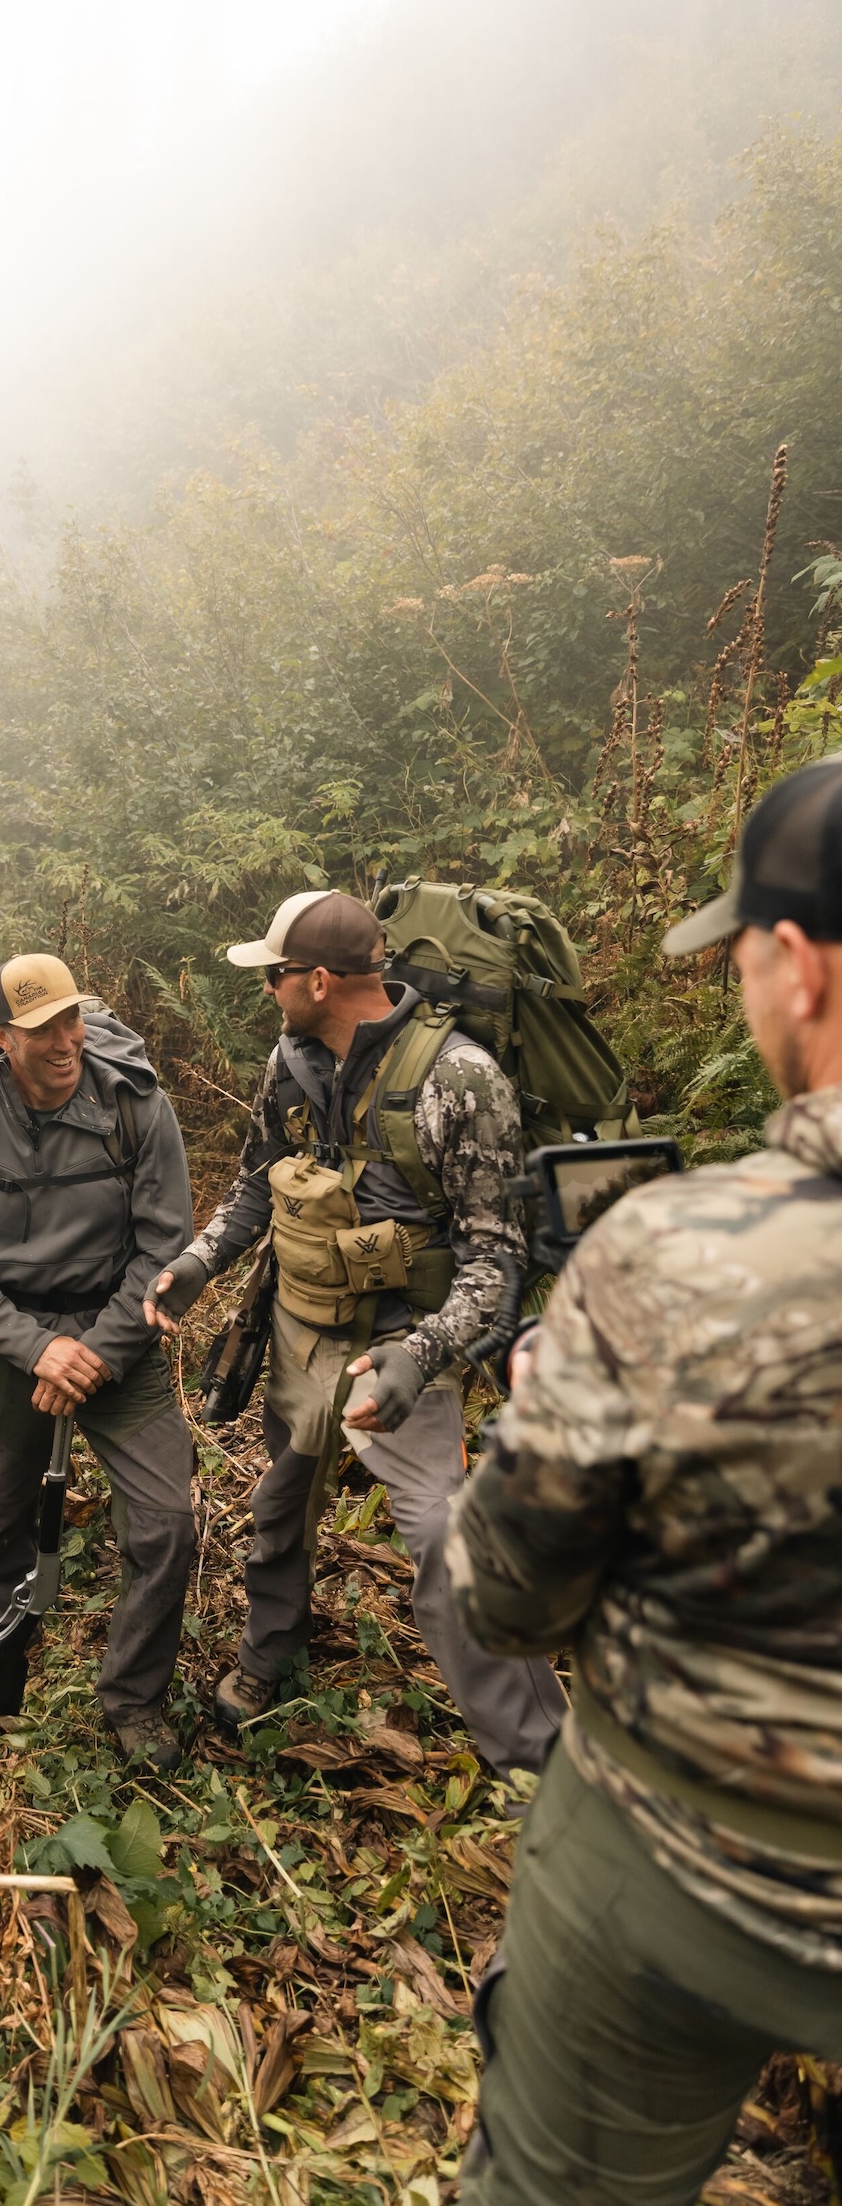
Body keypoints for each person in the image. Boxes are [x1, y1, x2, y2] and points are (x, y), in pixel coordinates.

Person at [447, 758, 842, 2204]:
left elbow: (507, 1592)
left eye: (740, 956)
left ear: (794, 967)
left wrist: (546, 1414)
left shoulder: (673, 1255)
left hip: (690, 1871)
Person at [145, 890, 564, 1772]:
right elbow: (260, 1181)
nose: (269, 991)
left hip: (406, 1342)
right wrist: (199, 1264)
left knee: (449, 1548)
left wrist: (421, 1357)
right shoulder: (290, 1061)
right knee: (279, 1508)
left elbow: (495, 1262)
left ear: (322, 980)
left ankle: (536, 1754)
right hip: (303, 1329)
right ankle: (273, 1652)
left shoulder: (460, 1081)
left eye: (278, 976)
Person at [0, 954, 196, 1767]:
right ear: (1, 1037)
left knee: (166, 1523)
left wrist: (93, 1353)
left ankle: (134, 1698)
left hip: (121, 1339)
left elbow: (162, 1245)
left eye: (72, 1020)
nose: (65, 1041)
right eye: (40, 1030)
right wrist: (39, 1349)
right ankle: (5, 1646)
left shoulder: (136, 1106)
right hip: (11, 1343)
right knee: (2, 1514)